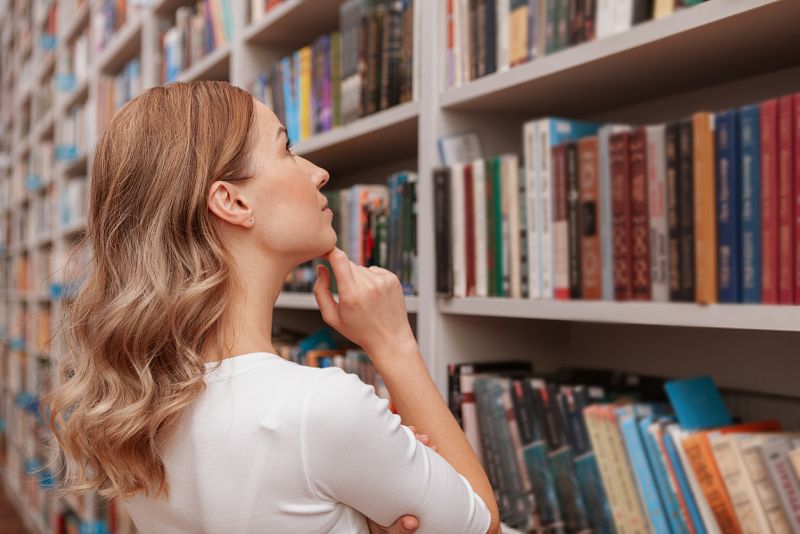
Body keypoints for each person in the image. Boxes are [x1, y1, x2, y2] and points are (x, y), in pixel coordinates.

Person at [44, 80, 500, 533]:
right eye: (287, 148)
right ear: (232, 201)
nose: (318, 172)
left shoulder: (137, 397)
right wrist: (394, 342)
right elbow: (485, 527)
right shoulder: (317, 408)